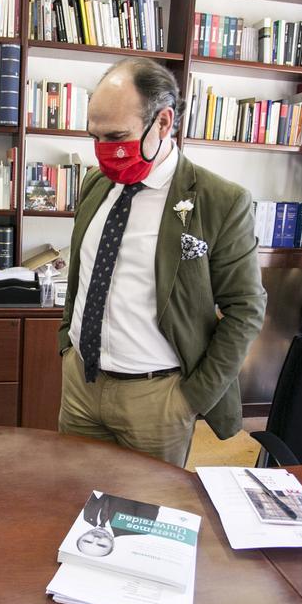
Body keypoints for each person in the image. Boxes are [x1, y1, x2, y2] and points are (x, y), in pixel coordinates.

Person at [58, 58, 267, 467]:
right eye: (94, 137)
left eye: (116, 136)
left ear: (163, 122)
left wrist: (192, 398)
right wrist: (67, 342)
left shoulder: (219, 201)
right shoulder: (95, 184)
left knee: (144, 516)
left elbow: (246, 309)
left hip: (158, 398)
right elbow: (83, 274)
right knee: (74, 501)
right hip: (81, 383)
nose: (104, 152)